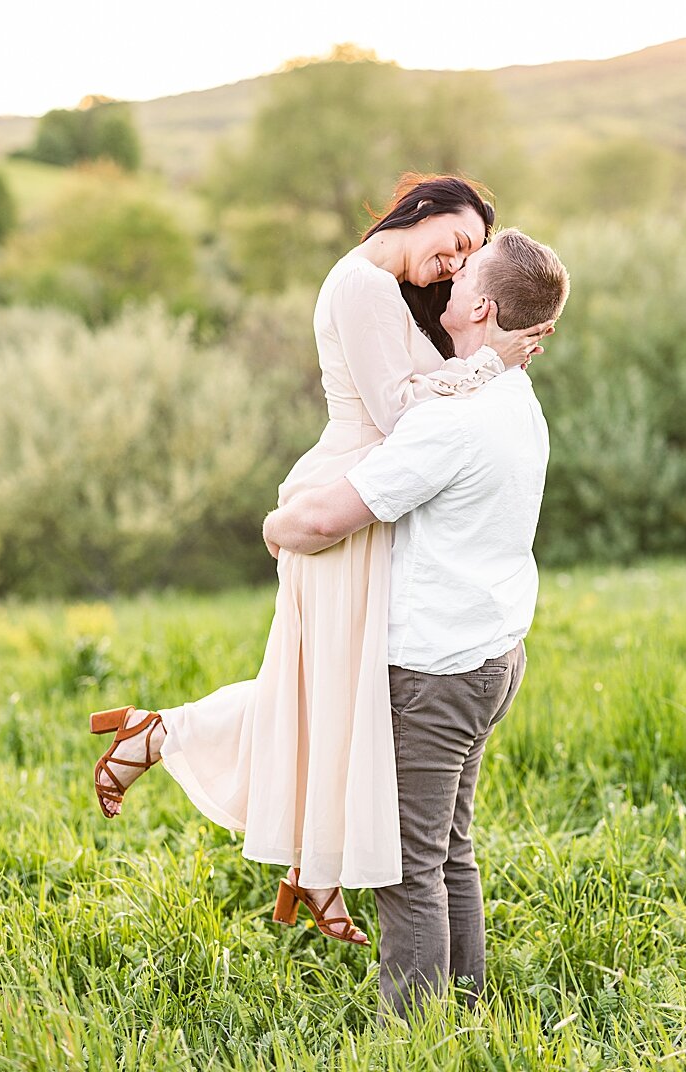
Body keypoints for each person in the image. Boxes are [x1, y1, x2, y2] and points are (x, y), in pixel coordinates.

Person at [87, 177, 551, 946]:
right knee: (327, 690)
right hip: (346, 500)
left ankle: (298, 857)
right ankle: (214, 782)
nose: (454, 264)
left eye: (469, 259)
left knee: (335, 694)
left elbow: (420, 406)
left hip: (379, 498)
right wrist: (489, 366)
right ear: (423, 210)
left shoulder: (395, 291)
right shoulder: (362, 285)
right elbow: (399, 411)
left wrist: (488, 363)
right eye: (458, 242)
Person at [262, 229, 569, 1019]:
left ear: (481, 307)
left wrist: (276, 525)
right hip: (495, 653)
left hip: (437, 671)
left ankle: (419, 1035)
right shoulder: (512, 399)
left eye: (464, 270)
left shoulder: (451, 423)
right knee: (448, 851)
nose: (452, 274)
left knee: (407, 868)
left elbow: (330, 516)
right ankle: (467, 1011)